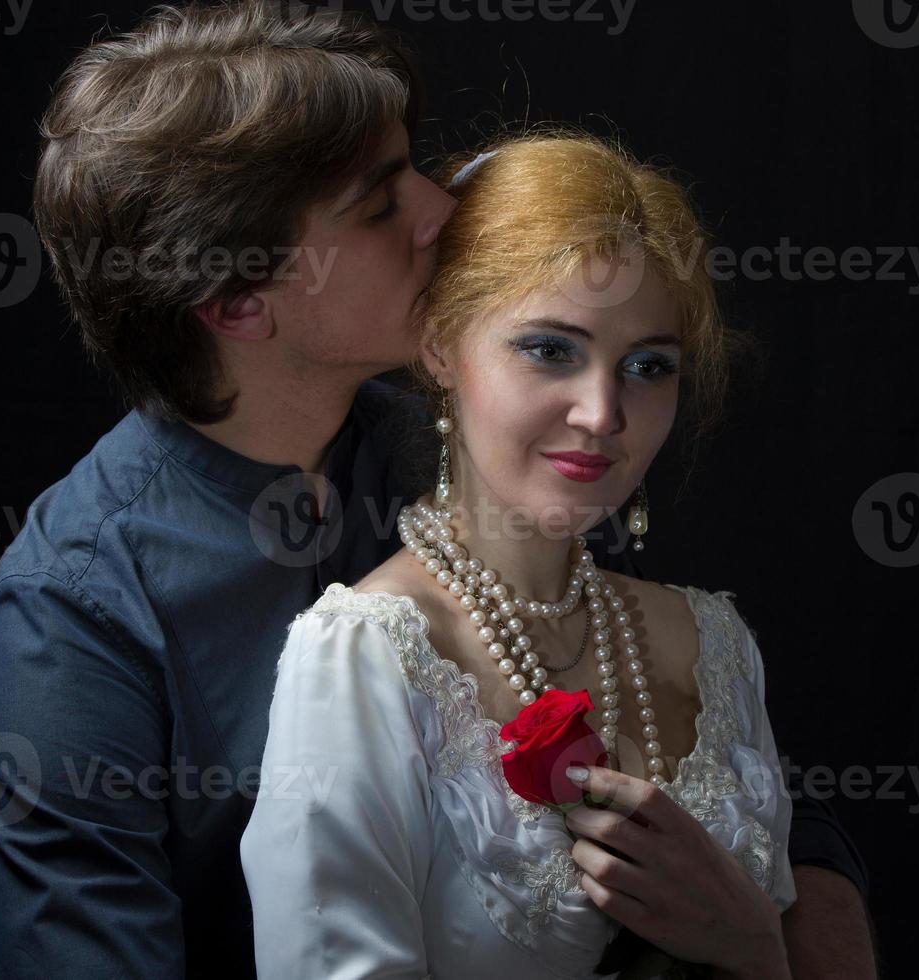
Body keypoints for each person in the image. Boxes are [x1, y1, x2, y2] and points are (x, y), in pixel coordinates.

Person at [0, 3, 874, 977]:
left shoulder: (457, 431)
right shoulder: (74, 605)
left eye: (413, 165)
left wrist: (792, 931)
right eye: (379, 202)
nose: (442, 206)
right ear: (237, 300)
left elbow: (688, 725)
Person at [242, 131, 805, 979]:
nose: (602, 412)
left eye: (648, 366)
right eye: (551, 350)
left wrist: (756, 948)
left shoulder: (712, 641)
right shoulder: (361, 660)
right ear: (440, 345)